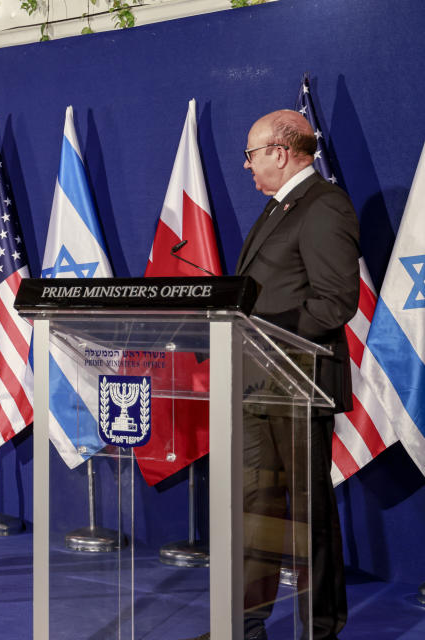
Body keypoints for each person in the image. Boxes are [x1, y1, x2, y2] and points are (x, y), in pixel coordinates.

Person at [235, 110, 358, 640]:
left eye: (251, 155)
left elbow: (335, 302)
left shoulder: (325, 205)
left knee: (310, 516)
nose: (247, 166)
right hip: (258, 382)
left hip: (300, 380)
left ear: (280, 152)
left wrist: (261, 328)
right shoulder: (276, 208)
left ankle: (320, 629)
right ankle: (247, 625)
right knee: (255, 509)